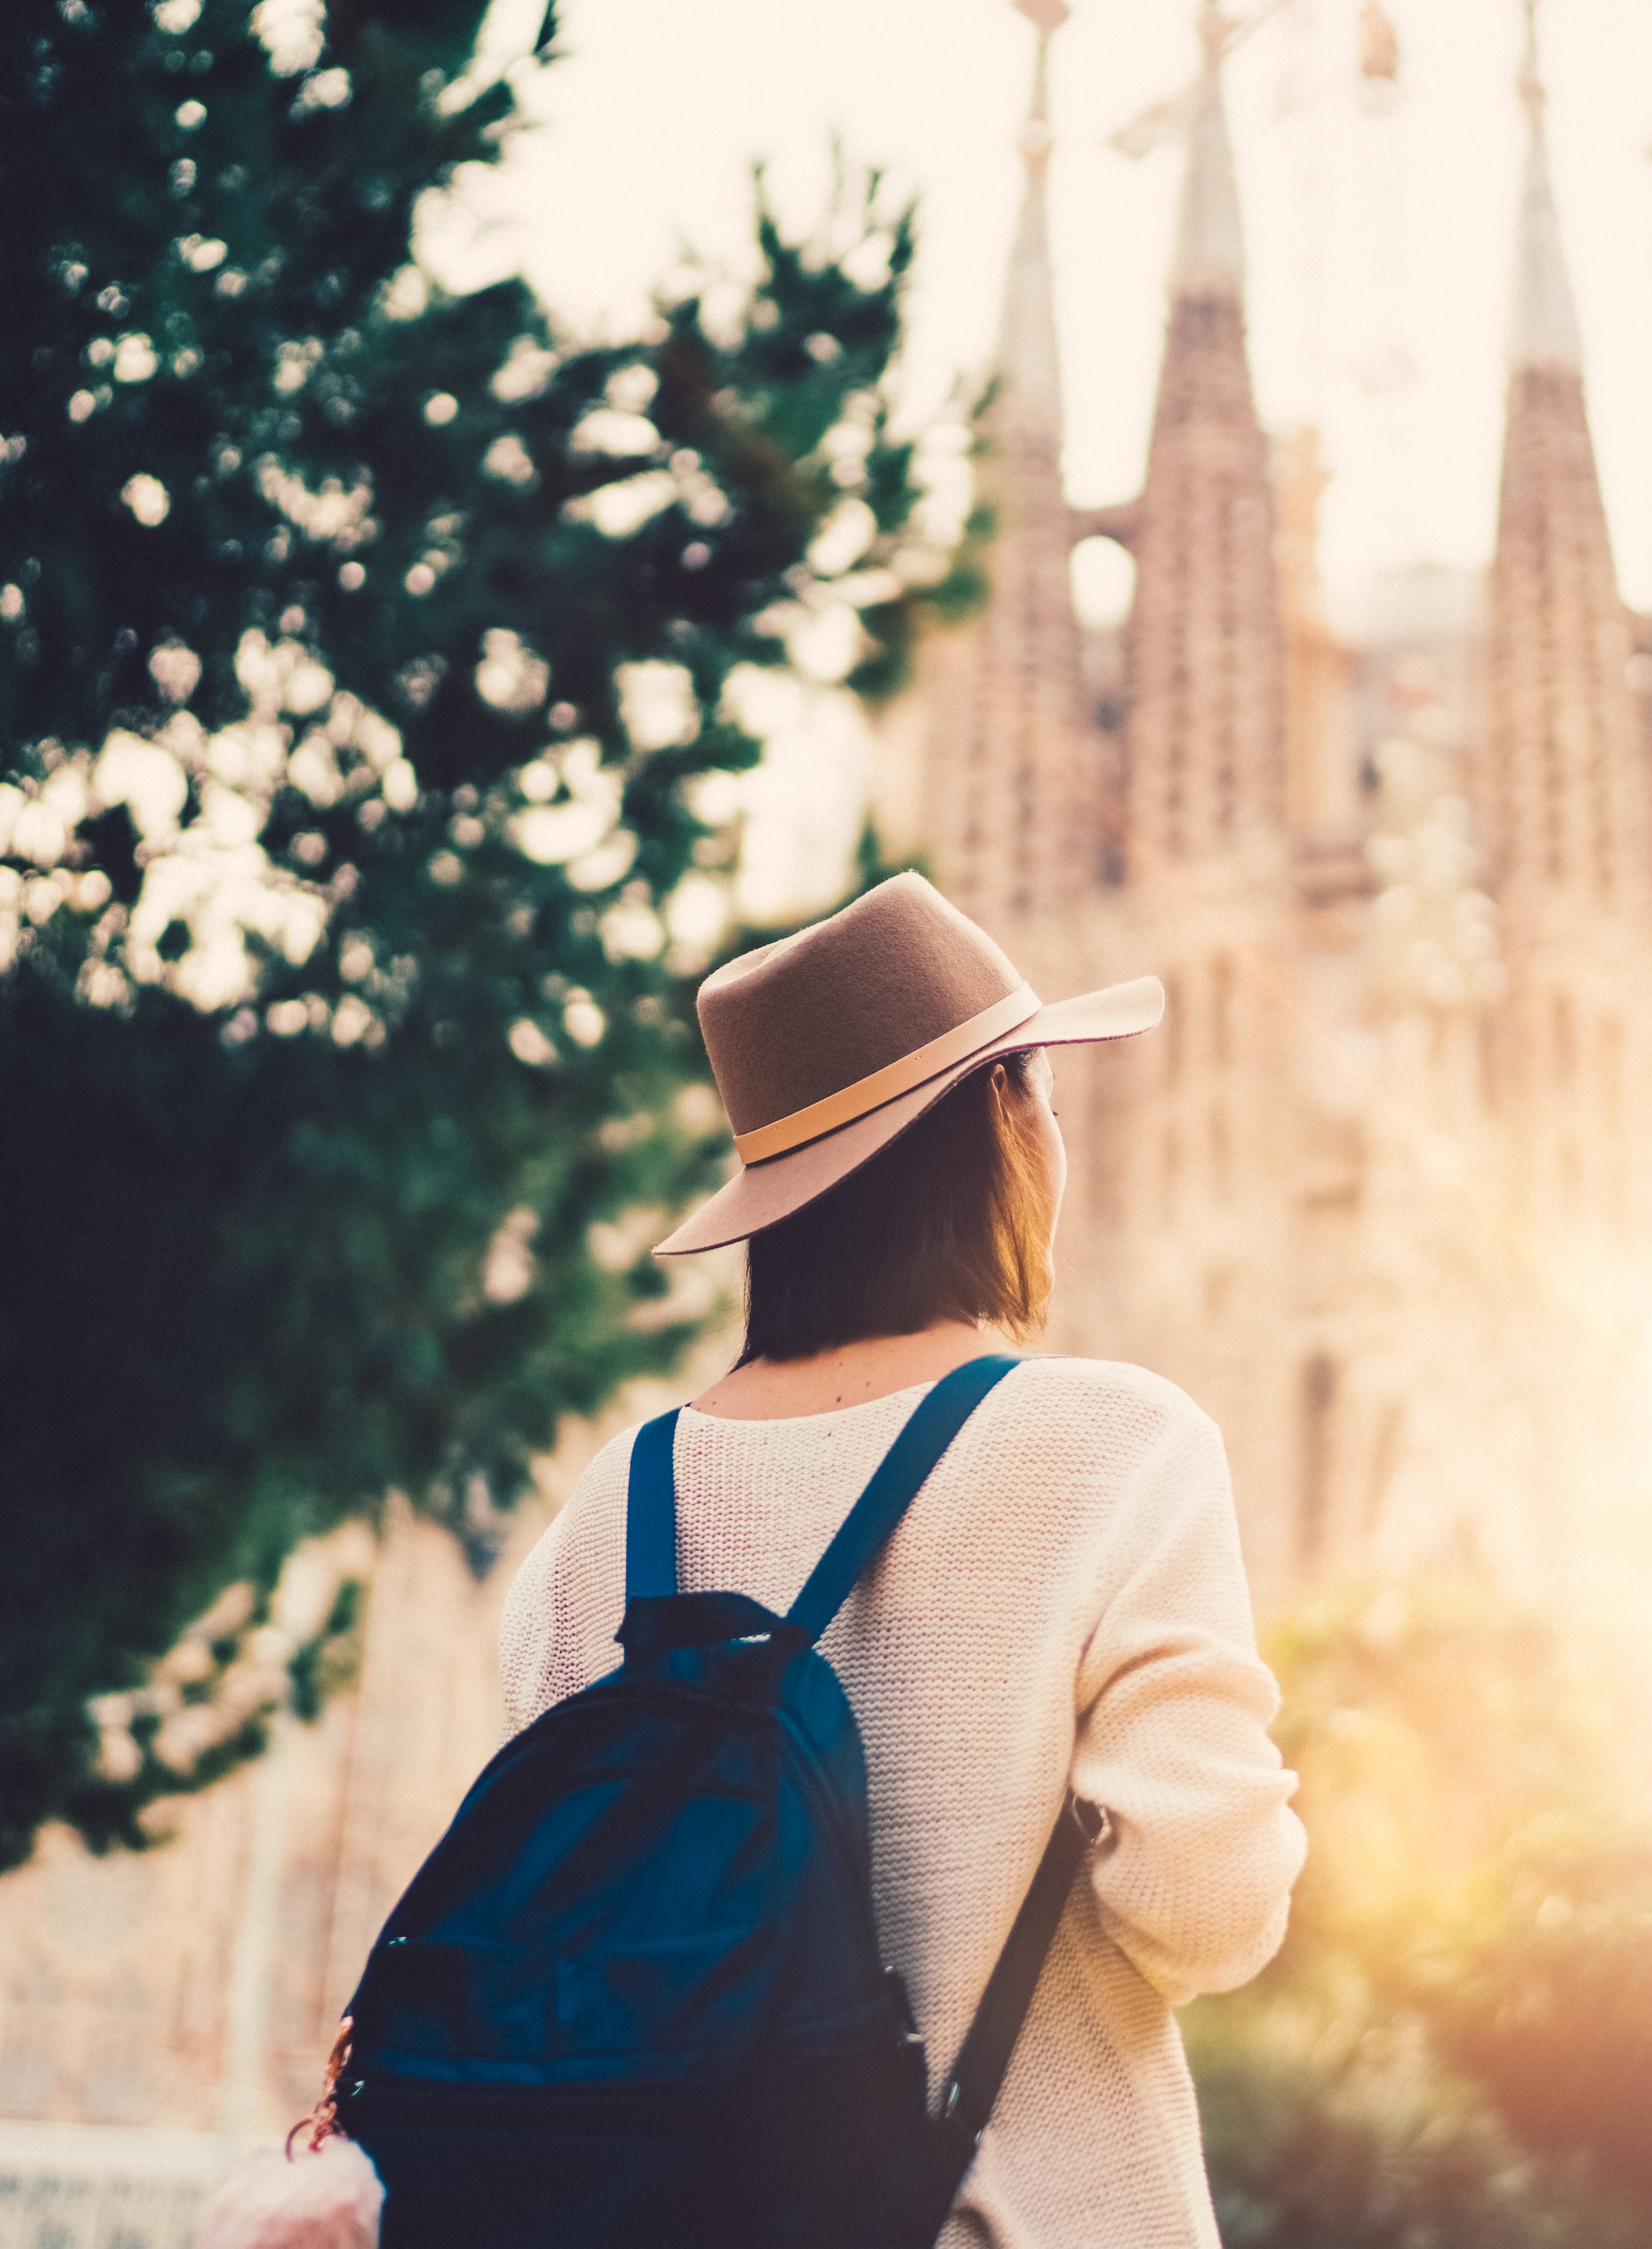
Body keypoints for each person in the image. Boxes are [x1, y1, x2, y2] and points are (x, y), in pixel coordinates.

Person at [493, 873, 1307, 2249]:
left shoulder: (601, 1519)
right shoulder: (1116, 1447)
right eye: (1040, 1091)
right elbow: (1204, 1909)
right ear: (997, 1126)